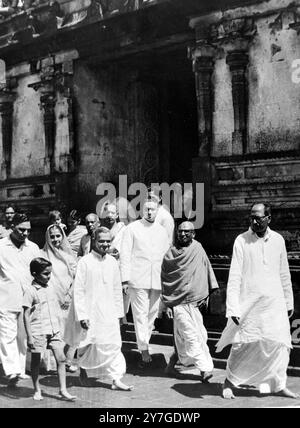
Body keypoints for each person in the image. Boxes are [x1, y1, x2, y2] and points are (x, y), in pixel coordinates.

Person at [216, 202, 299, 399]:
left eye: (258, 218)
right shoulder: (241, 240)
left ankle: (278, 384)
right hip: (249, 302)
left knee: (279, 343)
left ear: (268, 218)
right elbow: (234, 275)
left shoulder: (278, 240)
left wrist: (289, 301)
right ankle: (229, 381)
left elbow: (284, 272)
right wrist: (233, 308)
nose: (254, 221)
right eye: (251, 217)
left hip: (274, 302)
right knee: (243, 342)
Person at [64, 227, 133, 391]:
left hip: (109, 311)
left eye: (108, 241)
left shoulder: (112, 262)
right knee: (88, 342)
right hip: (90, 310)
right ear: (94, 241)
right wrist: (82, 315)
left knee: (114, 344)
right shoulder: (85, 262)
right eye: (101, 241)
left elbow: (117, 289)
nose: (105, 244)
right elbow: (78, 290)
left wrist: (119, 313)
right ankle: (83, 370)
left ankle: (116, 378)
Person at [161, 221, 219, 381]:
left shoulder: (198, 248)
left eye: (187, 232)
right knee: (190, 335)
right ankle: (205, 369)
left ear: (193, 234)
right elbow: (165, 280)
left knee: (191, 336)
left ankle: (170, 366)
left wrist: (206, 296)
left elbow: (206, 270)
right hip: (177, 302)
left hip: (195, 300)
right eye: (180, 231)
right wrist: (166, 304)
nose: (183, 234)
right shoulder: (170, 254)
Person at [120, 199, 170, 365]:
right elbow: (125, 254)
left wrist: (166, 280)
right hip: (137, 279)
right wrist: (125, 279)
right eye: (147, 209)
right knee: (140, 315)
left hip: (156, 279)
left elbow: (165, 256)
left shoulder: (162, 231)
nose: (149, 212)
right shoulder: (132, 228)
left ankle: (144, 342)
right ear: (142, 210)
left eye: (152, 210)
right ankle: (144, 349)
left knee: (152, 314)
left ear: (157, 211)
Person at [23, 258, 76, 401]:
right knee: (36, 361)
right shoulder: (30, 291)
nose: (49, 276)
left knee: (61, 359)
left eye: (50, 273)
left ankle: (63, 390)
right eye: (46, 274)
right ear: (35, 274)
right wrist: (29, 336)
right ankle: (37, 389)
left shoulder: (50, 287)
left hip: (54, 330)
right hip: (38, 331)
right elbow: (26, 315)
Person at [0, 213, 40, 386]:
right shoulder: (1, 246)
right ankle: (11, 370)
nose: (25, 234)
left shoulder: (33, 248)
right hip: (5, 296)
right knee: (7, 333)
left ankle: (20, 369)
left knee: (22, 336)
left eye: (28, 231)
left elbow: (38, 270)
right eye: (21, 229)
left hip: (26, 298)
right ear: (12, 227)